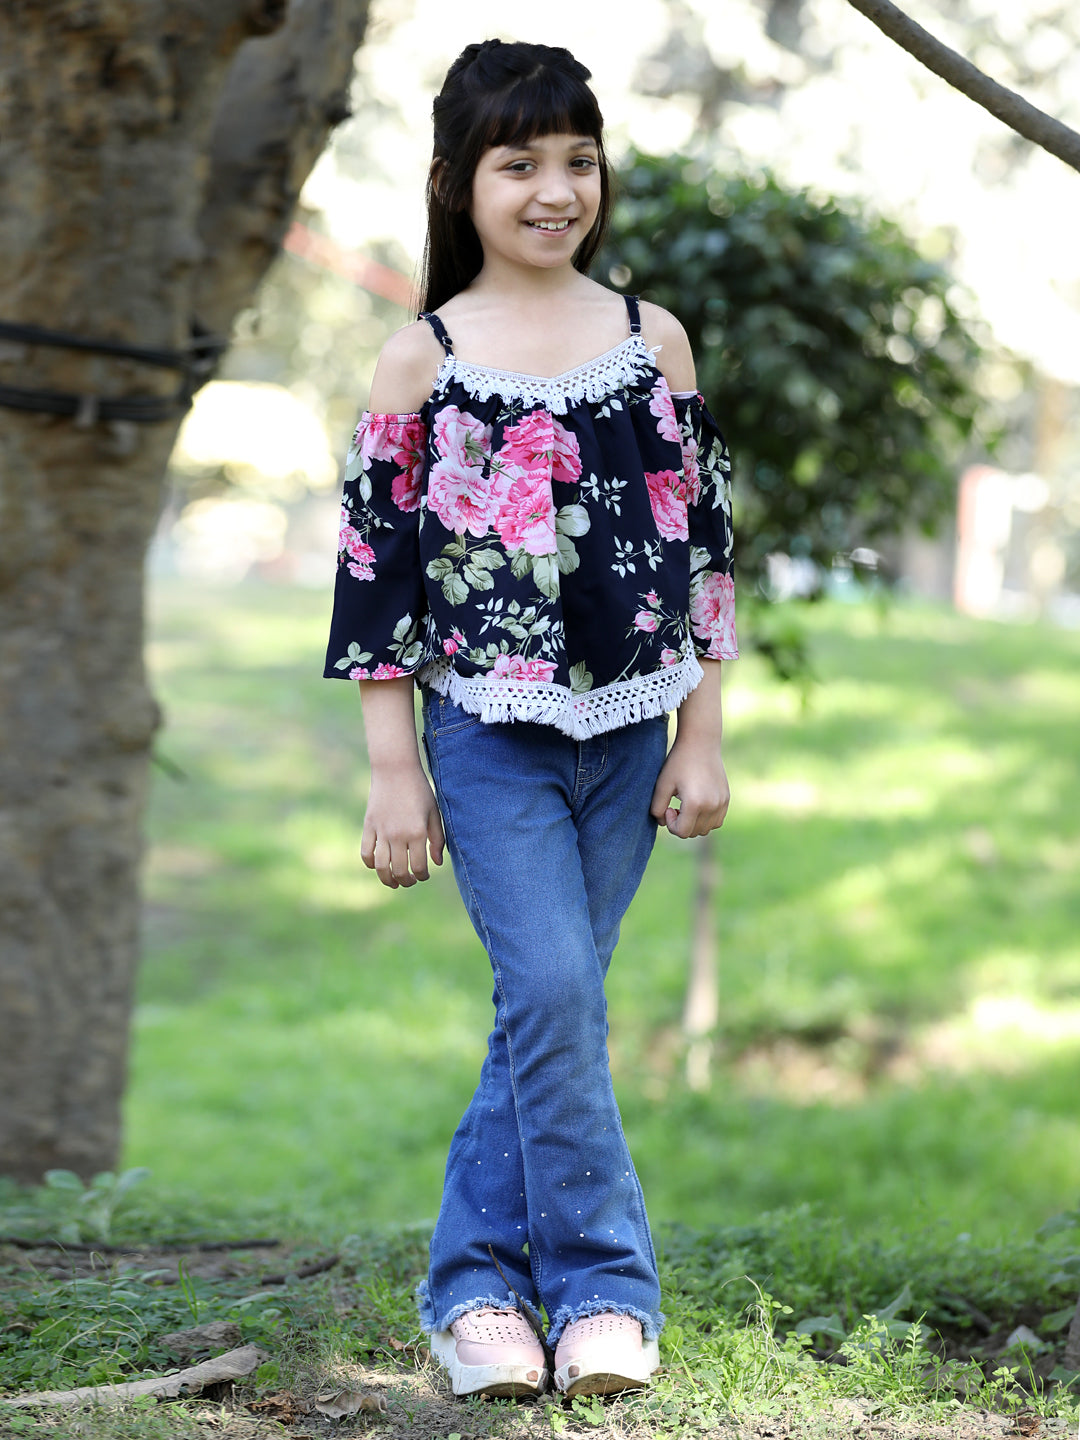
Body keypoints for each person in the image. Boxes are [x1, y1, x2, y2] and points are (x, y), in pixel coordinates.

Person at [323, 38, 737, 1402]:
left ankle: (483, 1294)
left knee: (546, 1011)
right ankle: (607, 1291)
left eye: (577, 159)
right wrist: (396, 770)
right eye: (520, 164)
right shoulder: (420, 360)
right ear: (458, 182)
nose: (555, 189)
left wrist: (703, 733)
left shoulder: (651, 338)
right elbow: (375, 572)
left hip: (631, 725)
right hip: (487, 731)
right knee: (554, 989)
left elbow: (701, 553)